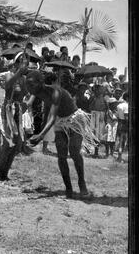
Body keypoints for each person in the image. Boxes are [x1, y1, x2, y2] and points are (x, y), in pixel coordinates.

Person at [26, 70, 97, 199]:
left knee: (74, 152)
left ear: (41, 82)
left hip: (74, 119)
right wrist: (41, 131)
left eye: (31, 84)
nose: (29, 87)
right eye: (28, 85)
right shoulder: (38, 92)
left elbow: (51, 117)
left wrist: (41, 136)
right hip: (60, 121)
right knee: (61, 156)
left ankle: (82, 183)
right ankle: (68, 188)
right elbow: (48, 114)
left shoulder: (56, 92)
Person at [0, 53, 29, 181]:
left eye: (26, 64)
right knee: (7, 142)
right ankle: (1, 171)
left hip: (17, 111)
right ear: (16, 64)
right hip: (7, 110)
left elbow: (27, 93)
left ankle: (6, 171)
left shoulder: (23, 79)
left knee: (16, 143)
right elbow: (8, 86)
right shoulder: (9, 75)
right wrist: (18, 73)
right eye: (22, 63)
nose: (25, 66)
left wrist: (27, 103)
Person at [89, 83, 107, 158]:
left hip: (101, 116)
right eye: (97, 89)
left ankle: (97, 151)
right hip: (94, 115)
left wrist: (103, 116)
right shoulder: (93, 97)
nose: (98, 91)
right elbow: (89, 107)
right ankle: (92, 150)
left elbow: (106, 108)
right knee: (93, 133)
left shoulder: (104, 98)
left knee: (99, 134)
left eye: (100, 89)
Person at [116, 91, 128, 162]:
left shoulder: (119, 105)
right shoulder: (126, 106)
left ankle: (119, 156)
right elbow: (126, 117)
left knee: (120, 140)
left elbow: (118, 115)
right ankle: (120, 157)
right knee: (123, 141)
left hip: (120, 123)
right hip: (125, 124)